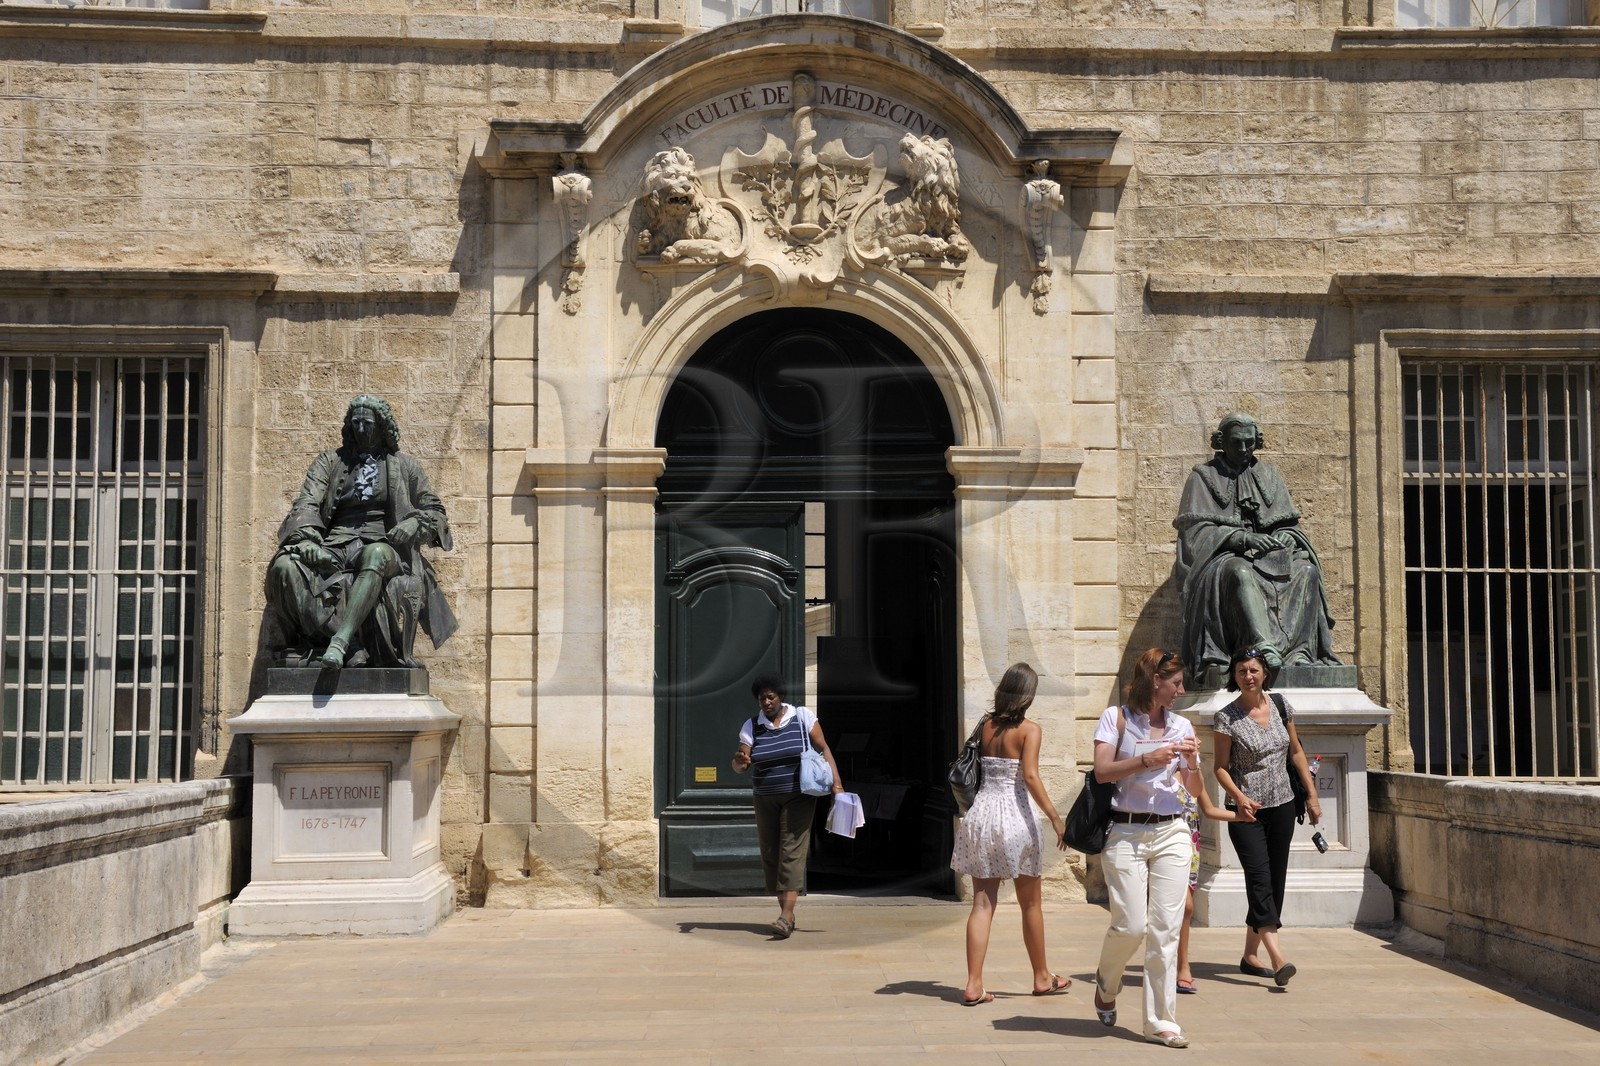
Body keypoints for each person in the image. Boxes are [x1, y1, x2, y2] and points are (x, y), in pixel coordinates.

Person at [1091, 649, 1244, 1048]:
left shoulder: (1181, 725)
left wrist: (1191, 763)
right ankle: (1106, 983)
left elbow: (1194, 792)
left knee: (1165, 929)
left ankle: (1160, 1021)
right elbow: (1103, 772)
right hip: (1125, 831)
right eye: (1175, 682)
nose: (1181, 690)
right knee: (1130, 925)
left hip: (1172, 831)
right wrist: (1145, 760)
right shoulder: (1117, 718)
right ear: (1153, 681)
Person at [264, 395, 456, 669]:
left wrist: (416, 523)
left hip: (385, 547)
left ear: (381, 426)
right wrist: (306, 538)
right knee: (284, 567)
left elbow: (436, 511)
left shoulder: (405, 466)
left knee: (374, 554)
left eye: (367, 424)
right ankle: (353, 648)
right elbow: (306, 502)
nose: (361, 430)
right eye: (355, 423)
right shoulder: (329, 462)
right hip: (334, 545)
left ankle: (340, 642)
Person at [1173, 412, 1340, 685]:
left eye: (1249, 443)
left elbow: (1290, 525)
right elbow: (1194, 536)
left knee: (1307, 572)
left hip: (1270, 560)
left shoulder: (1270, 476)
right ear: (1221, 442)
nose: (1243, 449)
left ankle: (1298, 653)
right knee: (1240, 572)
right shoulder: (1202, 478)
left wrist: (1287, 537)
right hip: (1222, 561)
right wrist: (1242, 539)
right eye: (1236, 443)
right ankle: (1264, 650)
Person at [950, 663, 1071, 1006]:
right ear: (1027, 695)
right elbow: (1030, 777)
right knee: (1031, 904)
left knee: (982, 903)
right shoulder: (1030, 730)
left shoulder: (985, 726)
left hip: (981, 817)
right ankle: (1042, 978)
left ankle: (974, 984)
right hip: (1015, 817)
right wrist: (1055, 817)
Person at [1211, 646, 1322, 987]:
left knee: (1274, 882)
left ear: (1264, 674)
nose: (1248, 676)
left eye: (1254, 670)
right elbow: (1220, 767)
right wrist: (1239, 798)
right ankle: (1278, 958)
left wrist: (1312, 796)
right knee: (1259, 880)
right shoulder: (1226, 717)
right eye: (1242, 671)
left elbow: (1297, 751)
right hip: (1247, 813)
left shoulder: (1280, 705)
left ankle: (1249, 956)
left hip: (1284, 806)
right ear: (1234, 675)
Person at [731, 676, 843, 939]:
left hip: (799, 796)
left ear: (780, 696)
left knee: (791, 850)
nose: (767, 702)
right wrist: (739, 761)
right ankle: (786, 916)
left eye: (771, 697)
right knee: (771, 853)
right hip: (765, 797)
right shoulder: (752, 725)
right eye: (762, 698)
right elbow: (740, 765)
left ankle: (786, 915)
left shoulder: (802, 716)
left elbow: (823, 748)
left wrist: (836, 785)